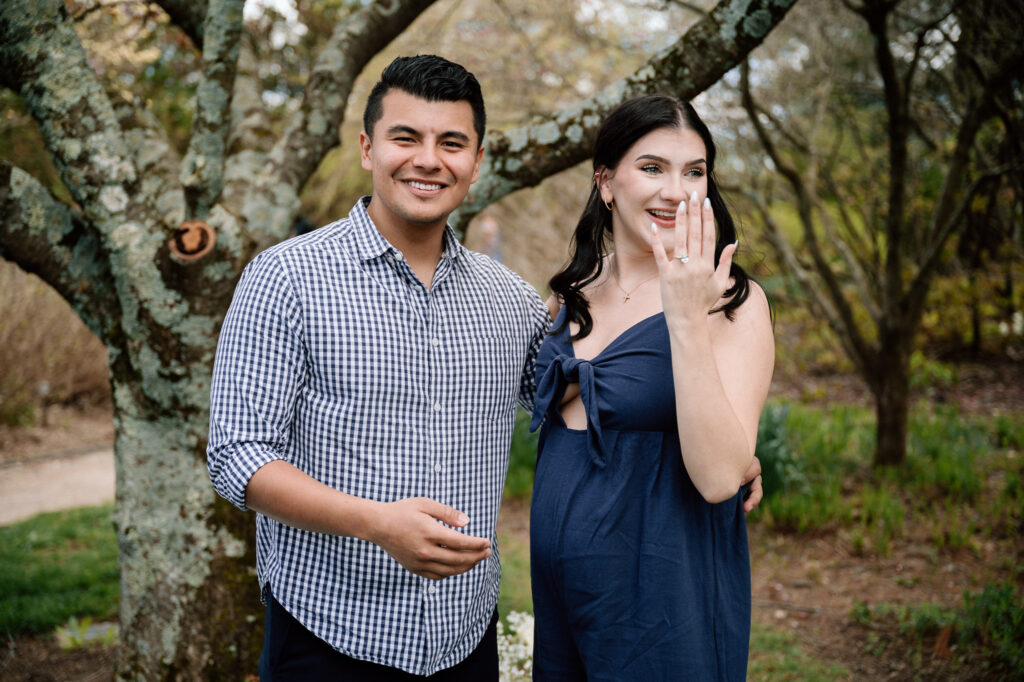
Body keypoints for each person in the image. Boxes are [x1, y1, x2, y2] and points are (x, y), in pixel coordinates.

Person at [206, 55, 553, 680]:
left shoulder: (512, 301)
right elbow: (237, 457)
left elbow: (577, 408)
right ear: (368, 149)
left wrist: (723, 437)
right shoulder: (285, 277)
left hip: (464, 637)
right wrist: (376, 524)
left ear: (476, 162)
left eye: (451, 142)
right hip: (327, 635)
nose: (428, 159)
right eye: (405, 137)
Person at [529, 95, 775, 680]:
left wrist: (685, 313)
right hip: (564, 595)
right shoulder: (569, 296)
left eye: (694, 172)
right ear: (606, 182)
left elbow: (719, 479)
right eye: (653, 168)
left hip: (663, 597)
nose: (677, 190)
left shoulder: (734, 302)